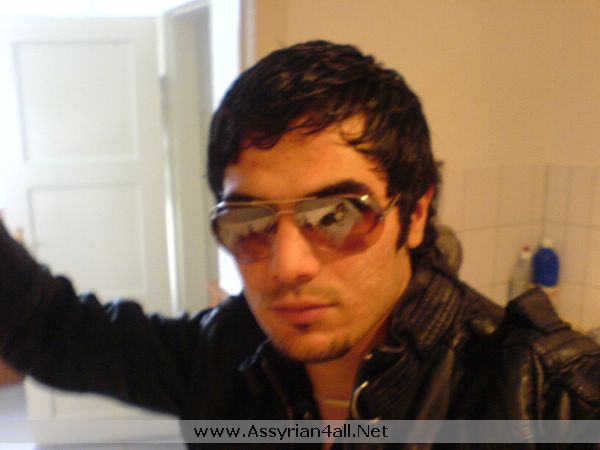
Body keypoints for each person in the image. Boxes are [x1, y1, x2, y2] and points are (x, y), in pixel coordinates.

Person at [0, 40, 598, 448]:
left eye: (337, 215)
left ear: (414, 215)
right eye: (249, 222)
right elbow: (52, 330)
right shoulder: (226, 355)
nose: (287, 265)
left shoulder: (547, 399)